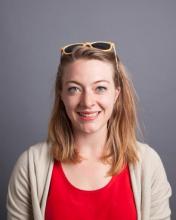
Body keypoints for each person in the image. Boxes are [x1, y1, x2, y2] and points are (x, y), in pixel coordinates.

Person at [7, 41, 172, 220]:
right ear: (61, 94)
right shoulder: (30, 166)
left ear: (116, 93)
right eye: (74, 89)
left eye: (100, 88)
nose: (87, 102)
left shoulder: (148, 164)